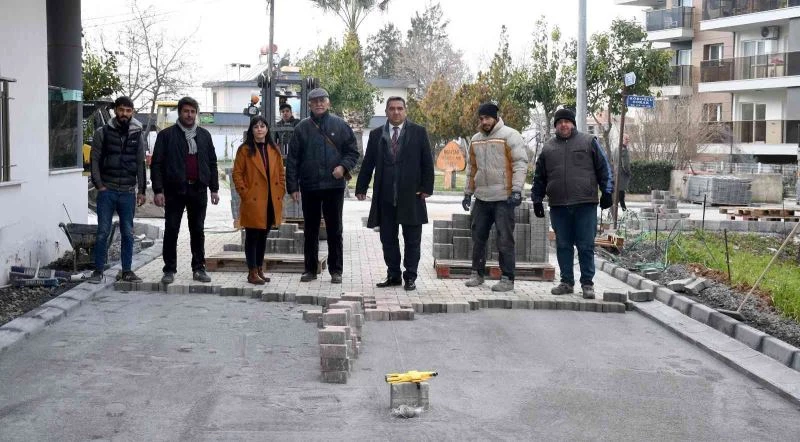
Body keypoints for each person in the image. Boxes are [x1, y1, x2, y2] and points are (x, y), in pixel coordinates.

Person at [531, 108, 614, 299]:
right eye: (560, 122)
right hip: (559, 205)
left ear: (573, 123)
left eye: (567, 121)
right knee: (563, 245)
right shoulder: (548, 148)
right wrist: (537, 199)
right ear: (555, 126)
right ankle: (567, 282)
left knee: (585, 245)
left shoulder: (588, 142)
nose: (563, 125)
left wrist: (607, 192)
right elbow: (539, 177)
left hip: (585, 204)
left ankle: (587, 284)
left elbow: (604, 169)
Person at [356, 97, 434, 291]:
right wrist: (361, 187)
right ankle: (393, 275)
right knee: (388, 239)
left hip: (412, 196)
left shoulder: (418, 132)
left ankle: (410, 277)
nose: (396, 112)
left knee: (412, 240)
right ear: (386, 112)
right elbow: (368, 164)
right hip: (385, 196)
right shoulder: (376, 135)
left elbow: (427, 162)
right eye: (392, 109)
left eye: (400, 108)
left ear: (405, 111)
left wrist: (427, 188)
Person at [286, 88, 359, 284]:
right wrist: (292, 187)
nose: (319, 104)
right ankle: (310, 269)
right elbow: (292, 159)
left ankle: (336, 271)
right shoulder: (301, 128)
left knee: (335, 229)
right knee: (310, 230)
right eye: (315, 101)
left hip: (333, 186)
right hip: (309, 186)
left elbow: (353, 152)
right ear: (309, 105)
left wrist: (343, 167)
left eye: (322, 100)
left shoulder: (340, 125)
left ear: (328, 103)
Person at [150, 96, 220, 284]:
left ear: (196, 114)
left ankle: (199, 268)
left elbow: (212, 163)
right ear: (179, 113)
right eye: (186, 111)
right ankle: (169, 270)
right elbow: (156, 164)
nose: (189, 115)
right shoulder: (166, 136)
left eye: (192, 112)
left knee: (197, 230)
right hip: (174, 191)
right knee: (172, 229)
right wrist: (158, 190)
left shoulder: (204, 135)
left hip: (198, 190)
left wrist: (214, 188)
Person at [461, 102, 527, 292]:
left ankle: (507, 278)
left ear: (496, 117)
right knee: (478, 236)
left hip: (504, 198)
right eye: (481, 119)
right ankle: (477, 274)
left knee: (504, 238)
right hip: (482, 197)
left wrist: (516, 190)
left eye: (488, 118)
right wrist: (468, 193)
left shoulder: (510, 135)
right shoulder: (475, 139)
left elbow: (520, 164)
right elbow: (472, 169)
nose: (484, 122)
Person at [88, 96, 147, 284]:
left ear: (133, 112)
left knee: (128, 233)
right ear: (115, 111)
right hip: (108, 190)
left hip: (128, 192)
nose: (124, 114)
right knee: (103, 232)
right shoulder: (102, 132)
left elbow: (140, 163)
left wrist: (142, 190)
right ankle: (97, 271)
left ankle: (127, 271)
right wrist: (100, 186)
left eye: (128, 111)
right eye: (121, 110)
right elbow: (94, 160)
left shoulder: (137, 134)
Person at [232, 115, 285, 285]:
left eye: (262, 126)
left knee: (263, 236)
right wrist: (245, 194)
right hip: (253, 200)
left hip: (270, 199)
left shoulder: (273, 148)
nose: (260, 129)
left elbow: (280, 173)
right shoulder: (245, 150)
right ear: (252, 130)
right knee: (252, 237)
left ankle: (260, 269)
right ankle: (251, 271)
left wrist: (281, 190)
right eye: (256, 127)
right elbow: (237, 174)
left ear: (267, 129)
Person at [618, 133, 632, 211]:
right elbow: (625, 165)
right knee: (621, 197)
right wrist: (629, 173)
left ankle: (616, 215)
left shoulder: (617, 149)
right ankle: (626, 214)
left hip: (616, 177)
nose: (628, 141)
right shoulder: (624, 150)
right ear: (621, 140)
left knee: (618, 197)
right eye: (626, 139)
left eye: (628, 139)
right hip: (622, 177)